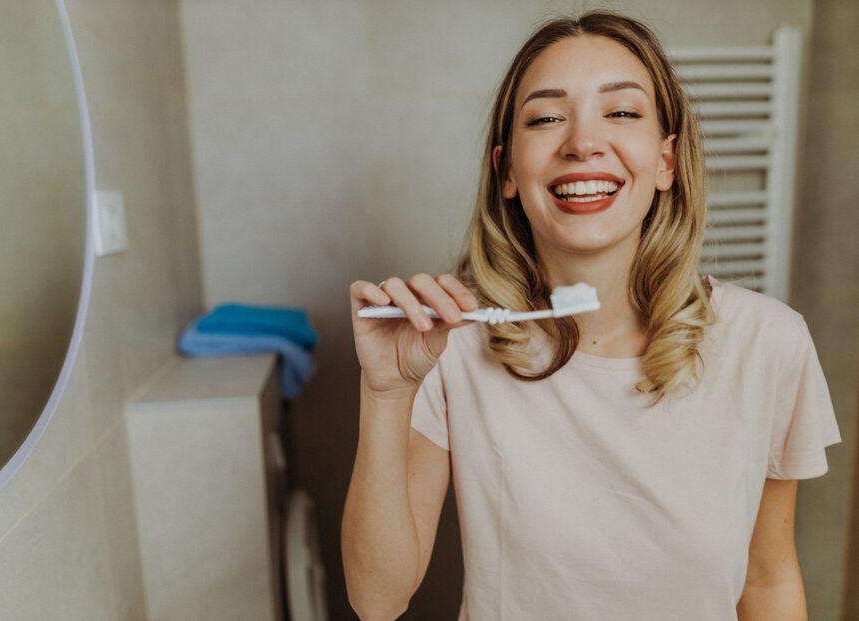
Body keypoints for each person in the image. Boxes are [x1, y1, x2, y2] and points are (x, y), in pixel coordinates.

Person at [341, 10, 840, 620]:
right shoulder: (449, 347)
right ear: (506, 171)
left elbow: (767, 580)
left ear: (666, 162)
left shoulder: (769, 342)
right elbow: (377, 601)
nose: (581, 142)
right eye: (547, 118)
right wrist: (386, 392)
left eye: (622, 112)